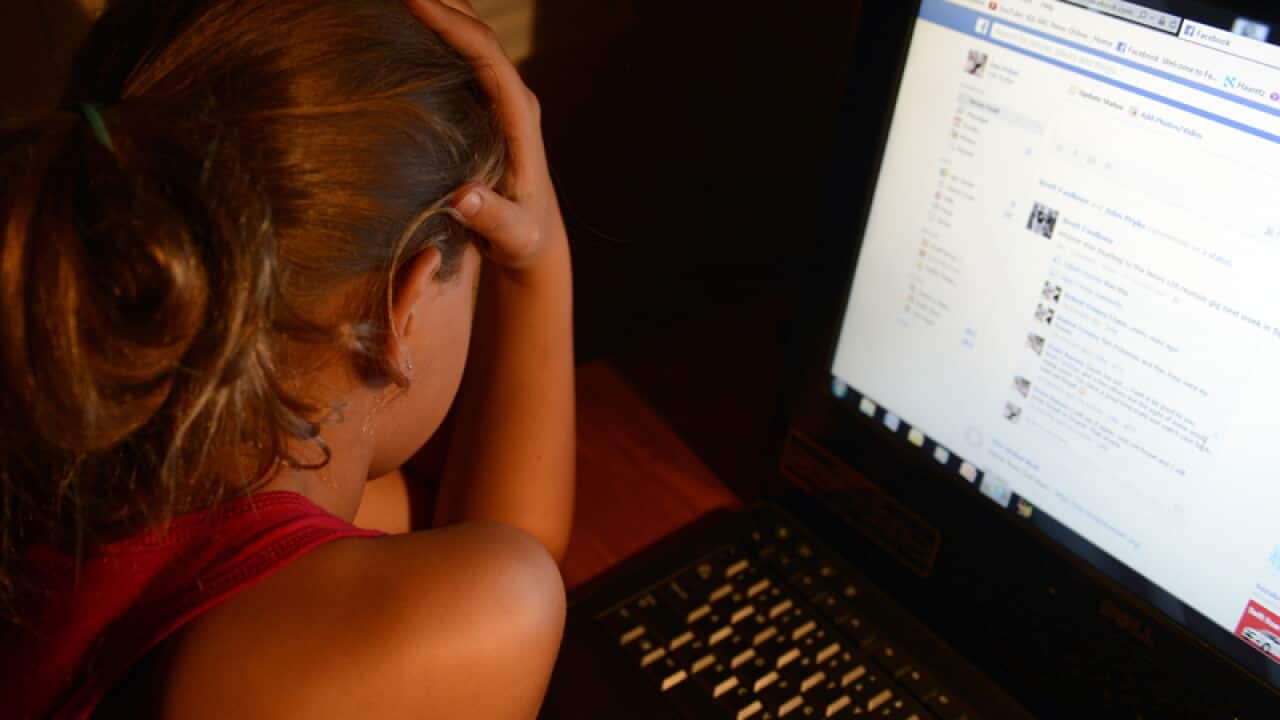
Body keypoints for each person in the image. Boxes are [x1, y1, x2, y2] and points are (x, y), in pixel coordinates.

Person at [0, 0, 574, 717]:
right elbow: (509, 578)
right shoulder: (371, 631)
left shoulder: (82, 458)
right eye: (478, 266)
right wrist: (543, 262)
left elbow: (492, 545)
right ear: (405, 305)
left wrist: (532, 263)